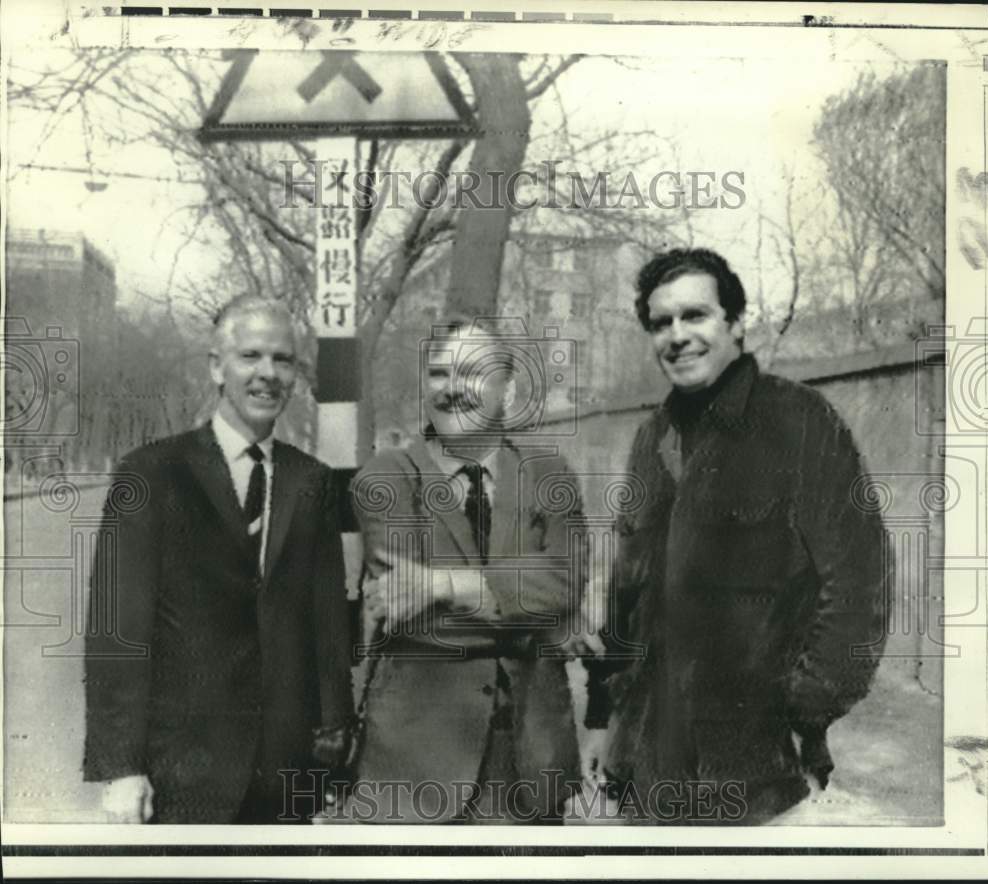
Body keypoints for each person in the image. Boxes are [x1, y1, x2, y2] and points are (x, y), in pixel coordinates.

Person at [584, 248, 889, 825]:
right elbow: (625, 597)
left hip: (760, 781)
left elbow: (858, 589)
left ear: (737, 323)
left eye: (695, 316)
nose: (677, 336)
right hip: (648, 771)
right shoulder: (652, 439)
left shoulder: (801, 421)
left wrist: (802, 714)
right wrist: (603, 716)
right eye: (661, 322)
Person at [84, 295, 354, 824]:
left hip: (286, 772)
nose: (267, 374)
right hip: (179, 772)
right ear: (216, 367)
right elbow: (118, 631)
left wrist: (331, 759)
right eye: (250, 356)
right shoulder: (152, 474)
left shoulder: (312, 482)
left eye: (283, 360)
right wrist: (121, 768)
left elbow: (327, 628)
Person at [344, 317, 585, 824]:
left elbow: (566, 583)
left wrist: (441, 583)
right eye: (438, 374)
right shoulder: (386, 476)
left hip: (528, 760)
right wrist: (532, 619)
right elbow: (413, 618)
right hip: (415, 761)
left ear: (509, 387)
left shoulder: (550, 476)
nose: (452, 389)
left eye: (472, 372)